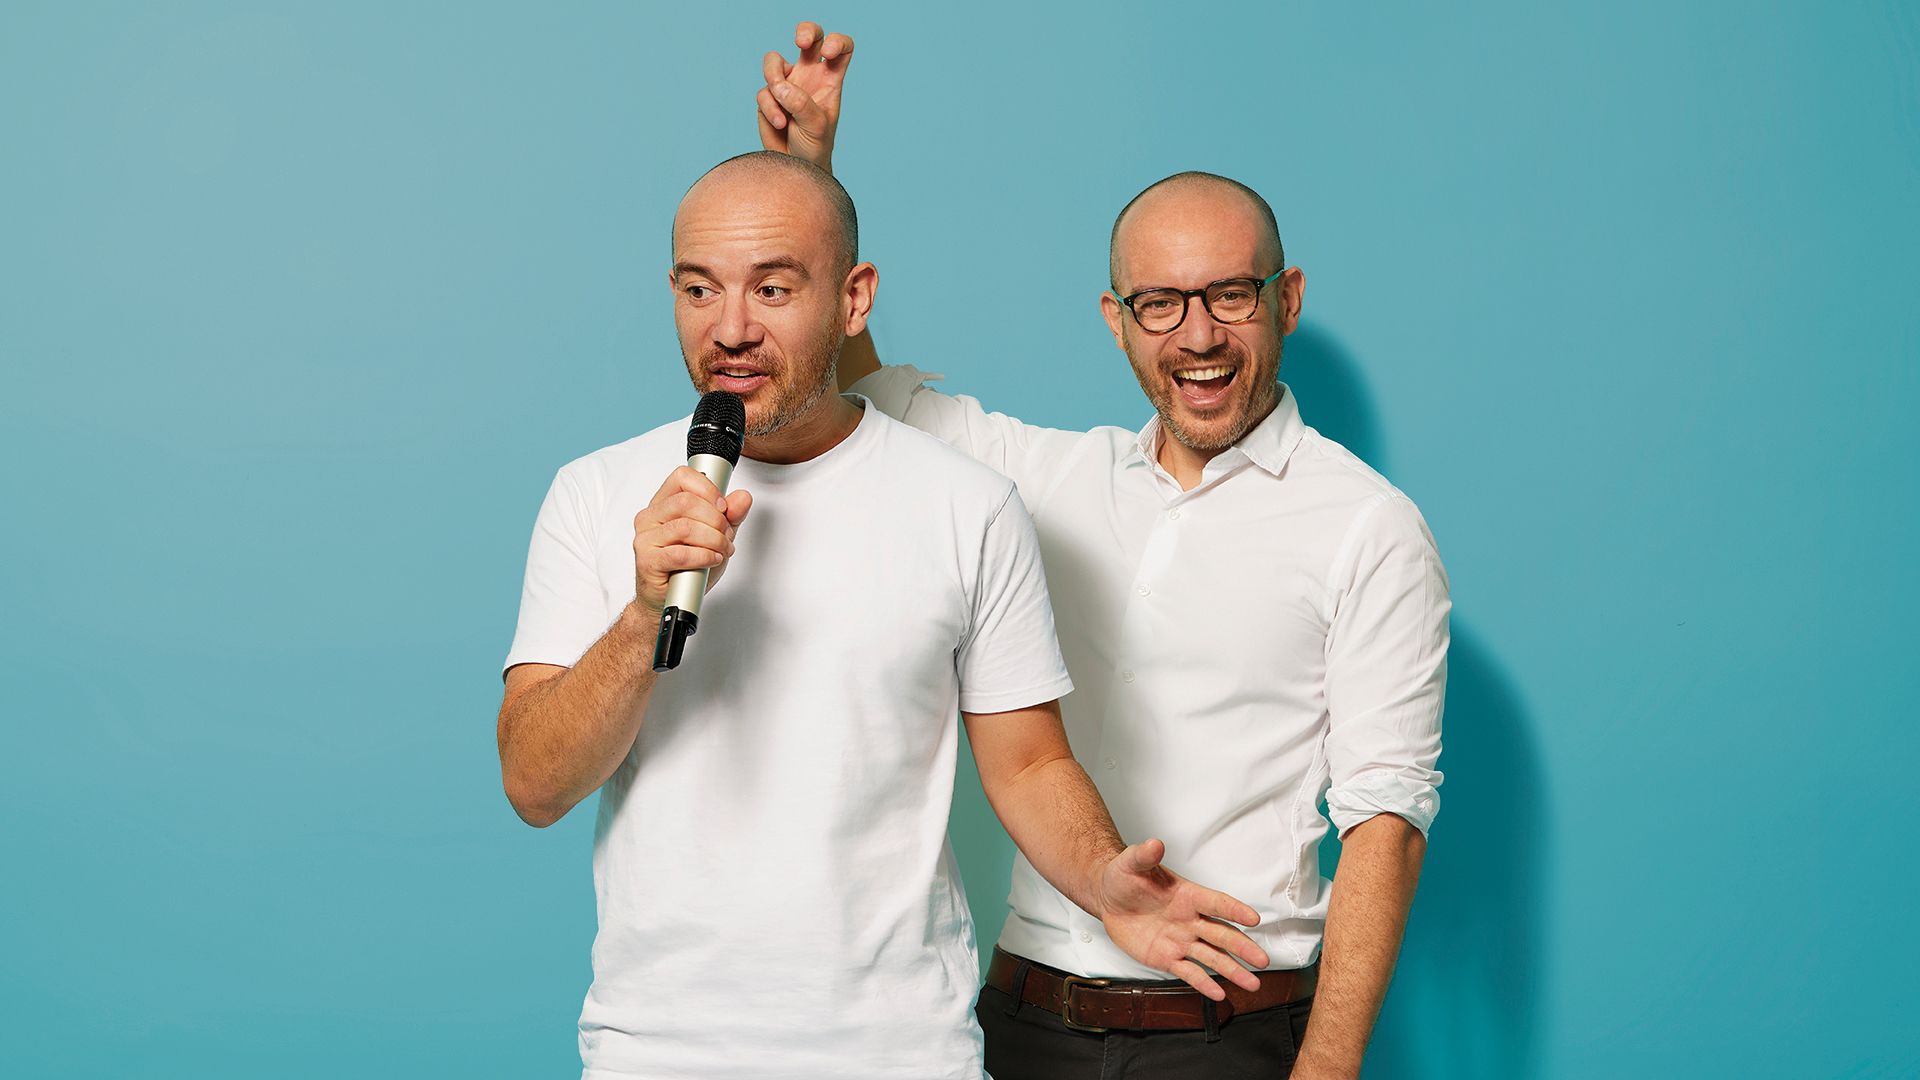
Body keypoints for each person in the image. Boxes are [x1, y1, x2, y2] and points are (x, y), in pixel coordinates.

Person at [755, 24, 1449, 1080]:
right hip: (1024, 1019)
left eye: (1230, 295)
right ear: (1116, 323)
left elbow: (1386, 823)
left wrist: (1329, 1068)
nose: (1199, 336)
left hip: (1230, 1032)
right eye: (1161, 304)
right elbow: (871, 400)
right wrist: (811, 169)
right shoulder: (1044, 479)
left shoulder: (1368, 525)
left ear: (1286, 300)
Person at [495, 151, 1272, 1080]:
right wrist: (638, 617)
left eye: (773, 288)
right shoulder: (596, 495)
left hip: (901, 1053)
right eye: (700, 290)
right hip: (658, 1052)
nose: (731, 328)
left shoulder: (966, 504)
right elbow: (535, 785)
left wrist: (1104, 882)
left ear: (854, 298)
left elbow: (1028, 762)